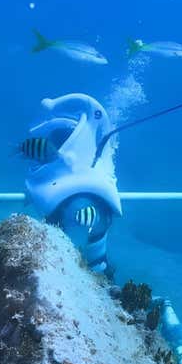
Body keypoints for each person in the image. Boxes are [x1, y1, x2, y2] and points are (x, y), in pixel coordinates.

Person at [23, 94, 121, 279]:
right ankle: (101, 273)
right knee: (97, 264)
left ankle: (97, 272)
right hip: (84, 260)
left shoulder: (70, 195)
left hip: (60, 265)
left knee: (87, 260)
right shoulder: (93, 184)